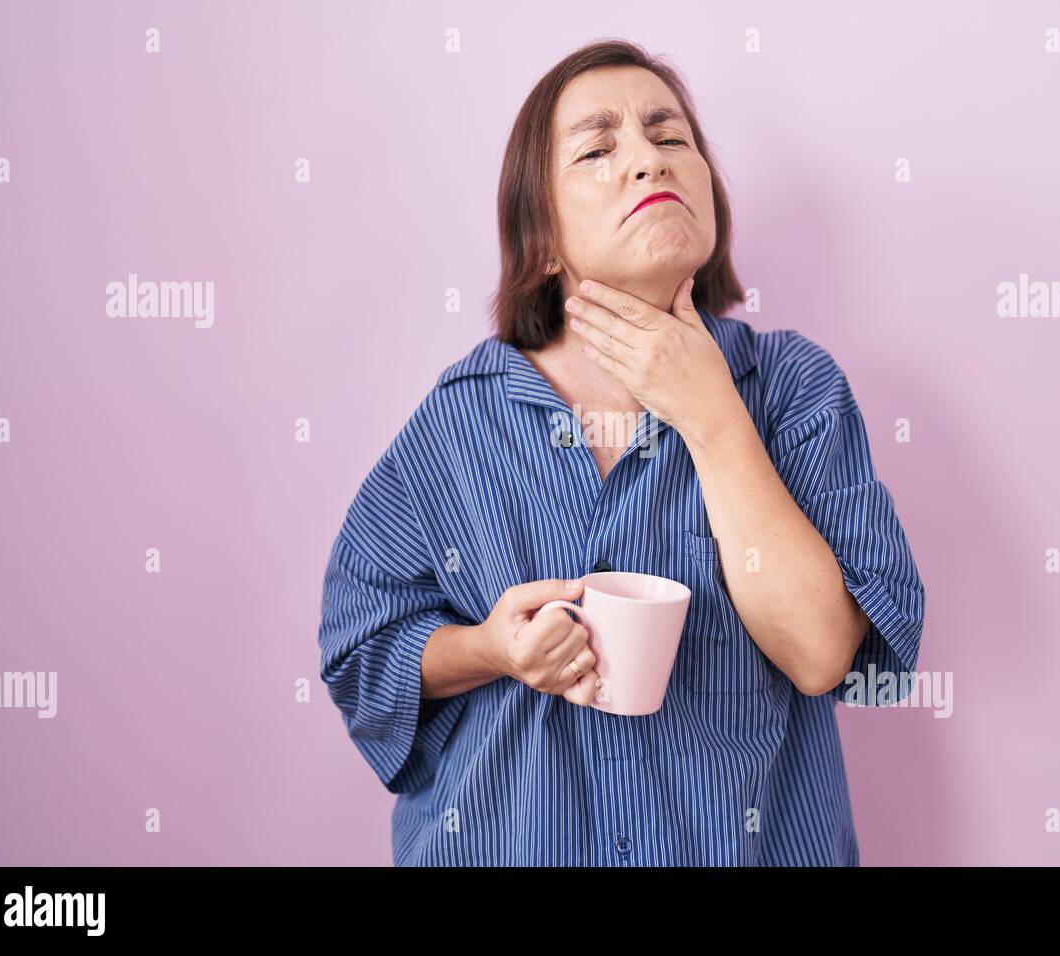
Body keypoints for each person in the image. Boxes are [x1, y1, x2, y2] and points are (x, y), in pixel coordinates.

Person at [317, 39, 926, 866]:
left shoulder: (791, 390)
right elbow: (362, 650)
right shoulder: (458, 424)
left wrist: (712, 415)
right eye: (599, 149)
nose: (647, 160)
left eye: (671, 137)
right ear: (543, 242)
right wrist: (491, 649)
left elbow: (823, 654)